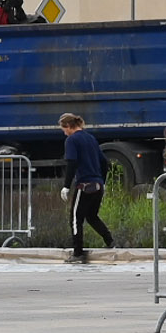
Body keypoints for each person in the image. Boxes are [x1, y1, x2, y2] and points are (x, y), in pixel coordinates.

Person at [60, 112, 112, 262]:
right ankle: (110, 241)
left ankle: (78, 253)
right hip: (98, 184)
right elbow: (104, 162)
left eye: (64, 129)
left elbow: (72, 163)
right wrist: (102, 181)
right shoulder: (91, 138)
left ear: (69, 126)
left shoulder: (71, 140)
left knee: (75, 219)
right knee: (91, 216)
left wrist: (66, 186)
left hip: (84, 185)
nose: (64, 133)